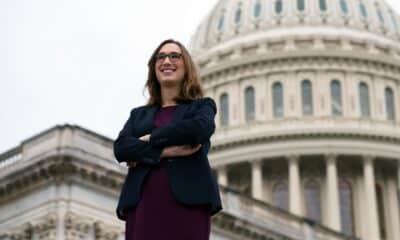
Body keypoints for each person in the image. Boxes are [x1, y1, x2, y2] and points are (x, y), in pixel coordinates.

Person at [113, 39, 222, 240]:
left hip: (188, 205)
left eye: (174, 56)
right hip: (143, 204)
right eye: (160, 57)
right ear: (154, 67)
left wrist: (150, 139)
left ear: (186, 66)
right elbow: (121, 149)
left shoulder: (202, 107)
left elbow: (198, 130)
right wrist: (164, 151)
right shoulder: (139, 115)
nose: (166, 61)